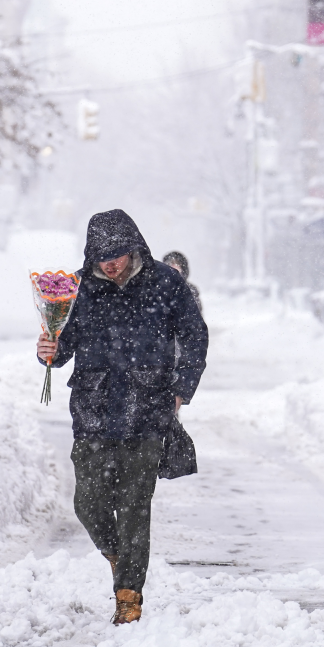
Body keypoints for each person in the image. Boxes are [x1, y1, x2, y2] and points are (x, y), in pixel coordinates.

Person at [37, 210, 208, 626]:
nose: (110, 263)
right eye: (102, 256)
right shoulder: (77, 290)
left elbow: (194, 335)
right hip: (93, 410)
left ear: (133, 247)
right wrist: (50, 350)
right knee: (88, 503)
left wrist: (182, 388)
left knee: (135, 506)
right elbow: (65, 345)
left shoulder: (166, 285)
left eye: (116, 254)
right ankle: (119, 556)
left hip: (148, 410)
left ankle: (129, 595)